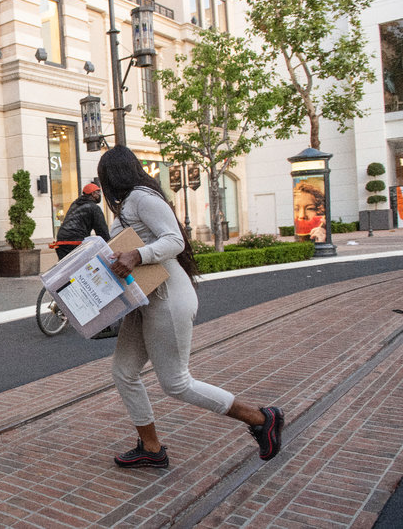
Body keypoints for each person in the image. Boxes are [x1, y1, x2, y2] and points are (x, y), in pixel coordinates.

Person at [98, 145, 283, 469]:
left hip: (168, 300)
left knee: (176, 382)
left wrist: (136, 256)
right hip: (145, 301)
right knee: (124, 371)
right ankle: (151, 448)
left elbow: (174, 240)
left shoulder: (142, 198)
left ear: (112, 176)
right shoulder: (128, 205)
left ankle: (260, 418)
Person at [53, 182, 111, 260]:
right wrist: (109, 246)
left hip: (61, 241)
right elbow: (102, 230)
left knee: (66, 268)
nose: (99, 195)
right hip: (76, 241)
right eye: (98, 192)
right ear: (93, 194)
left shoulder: (75, 204)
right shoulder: (94, 208)